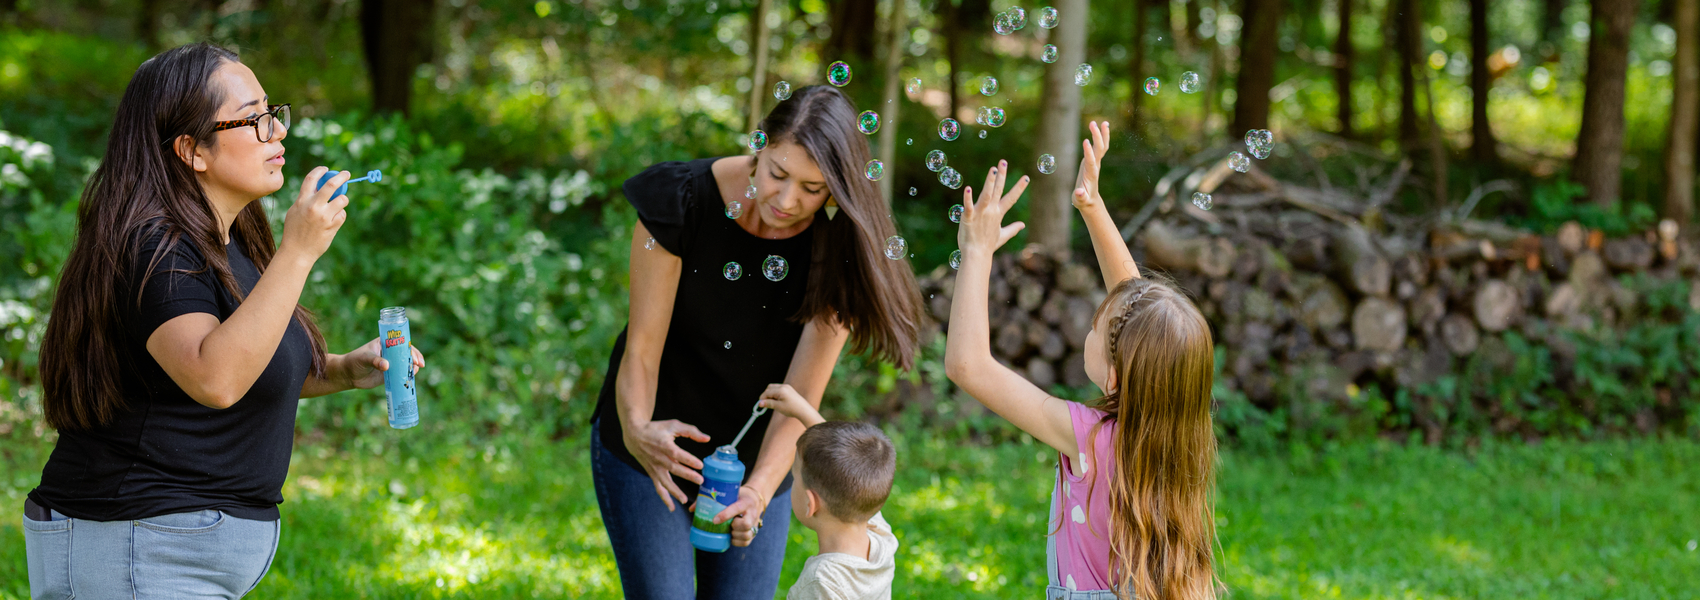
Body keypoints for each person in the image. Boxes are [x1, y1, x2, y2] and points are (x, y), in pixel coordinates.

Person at [23, 43, 425, 599]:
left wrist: (340, 370)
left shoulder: (226, 243)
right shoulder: (156, 247)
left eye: (273, 113)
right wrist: (299, 252)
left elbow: (242, 355)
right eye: (254, 119)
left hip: (165, 551)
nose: (277, 132)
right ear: (192, 150)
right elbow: (214, 378)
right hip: (133, 548)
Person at [588, 84, 925, 599]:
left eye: (813, 189)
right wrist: (637, 430)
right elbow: (642, 350)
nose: (788, 201)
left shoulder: (840, 248)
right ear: (759, 146)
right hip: (652, 438)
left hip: (756, 457)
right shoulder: (678, 202)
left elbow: (799, 398)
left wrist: (758, 491)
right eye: (778, 174)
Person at [943, 122, 1221, 600]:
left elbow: (967, 364)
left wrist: (976, 252)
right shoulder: (1180, 433)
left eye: (1098, 323)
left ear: (1115, 373)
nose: (1092, 324)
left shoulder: (1089, 436)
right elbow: (1139, 314)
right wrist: (1092, 207)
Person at [757, 384, 898, 600]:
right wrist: (803, 411)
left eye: (794, 478)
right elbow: (840, 467)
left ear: (810, 502)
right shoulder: (881, 536)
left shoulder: (822, 581)